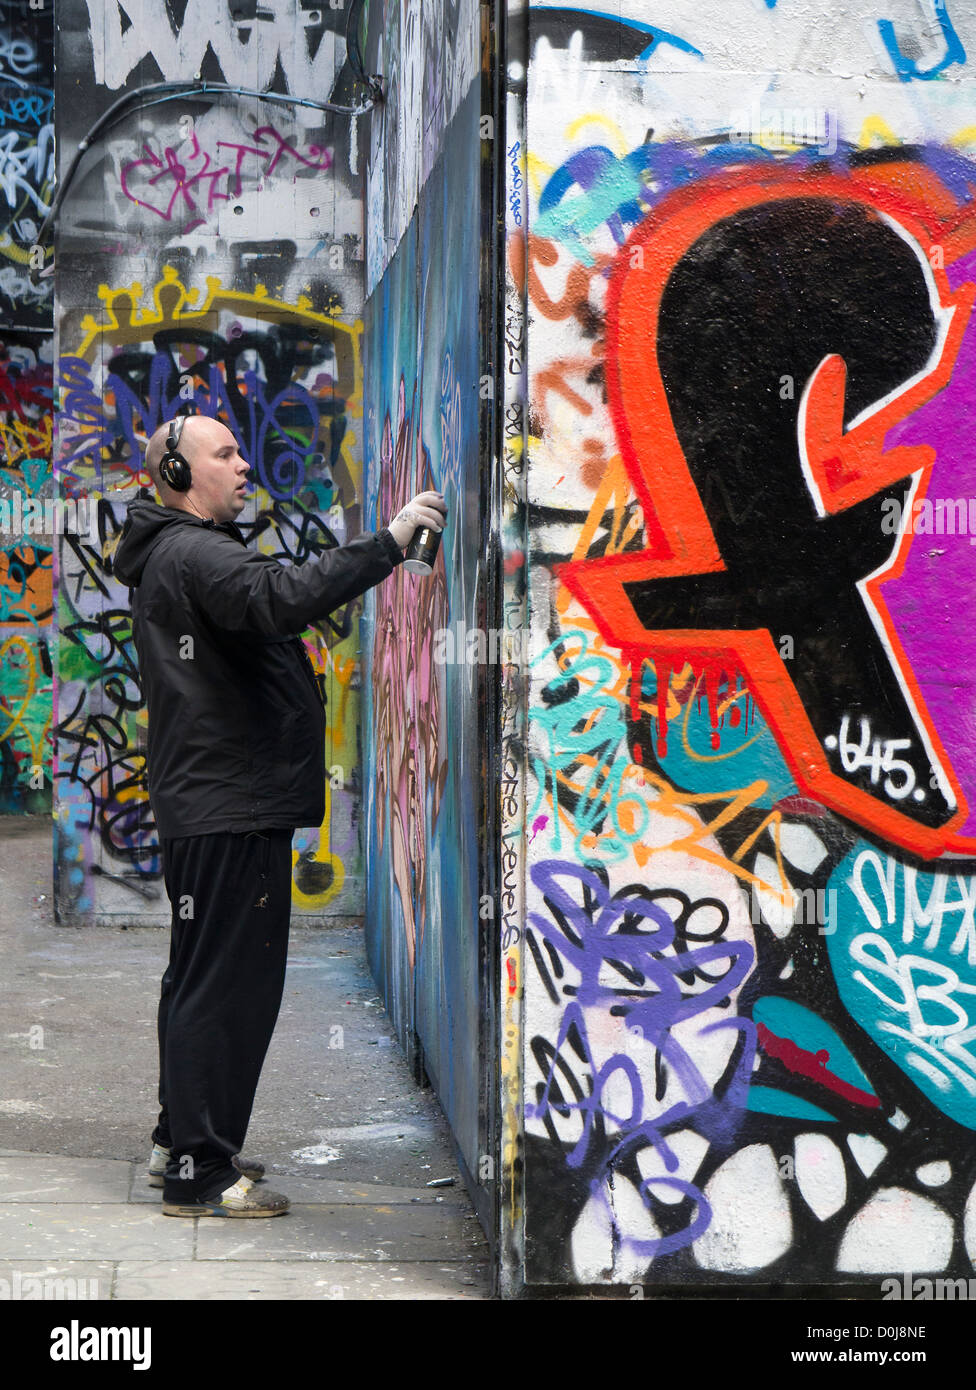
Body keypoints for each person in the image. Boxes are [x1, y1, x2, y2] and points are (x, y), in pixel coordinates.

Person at [113, 413, 447, 1217]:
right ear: (180, 474)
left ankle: (179, 1142)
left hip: (214, 803)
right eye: (223, 454)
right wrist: (390, 543)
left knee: (198, 980)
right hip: (231, 807)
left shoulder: (174, 551)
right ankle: (200, 1168)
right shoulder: (196, 551)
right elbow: (279, 598)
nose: (241, 466)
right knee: (226, 989)